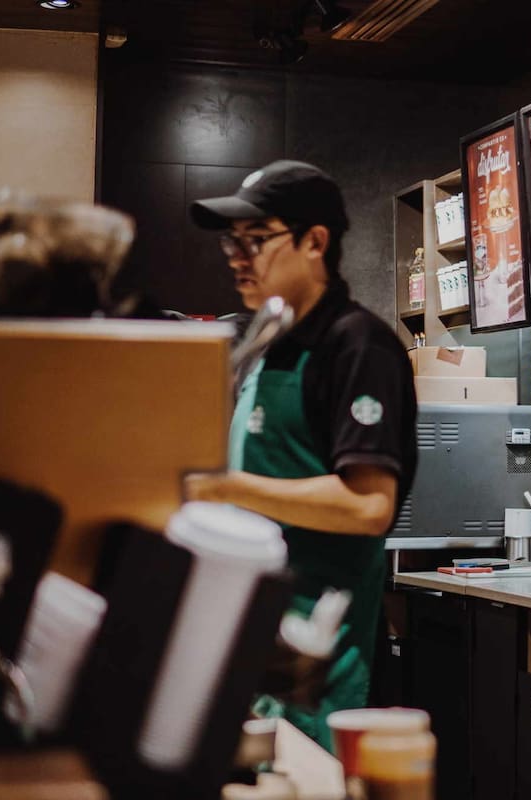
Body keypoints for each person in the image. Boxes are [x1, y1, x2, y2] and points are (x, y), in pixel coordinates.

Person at [183, 160, 417, 750]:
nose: (238, 254)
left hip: (316, 644)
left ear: (315, 242)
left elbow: (368, 506)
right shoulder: (268, 341)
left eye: (256, 239)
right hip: (250, 623)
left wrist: (223, 487)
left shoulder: (358, 345)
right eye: (232, 241)